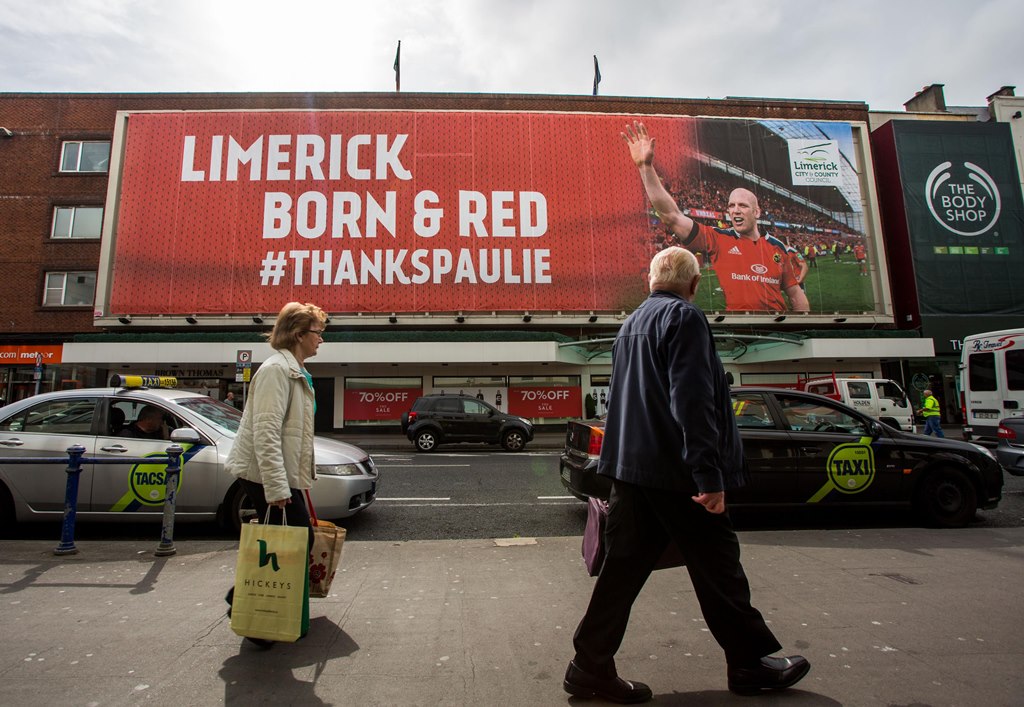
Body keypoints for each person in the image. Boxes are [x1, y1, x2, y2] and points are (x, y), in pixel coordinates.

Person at [564, 247, 809, 702]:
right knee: (719, 568)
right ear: (695, 285)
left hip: (634, 472)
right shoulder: (686, 319)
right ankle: (749, 664)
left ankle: (588, 666)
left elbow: (622, 403)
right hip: (676, 473)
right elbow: (691, 400)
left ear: (649, 281)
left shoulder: (630, 325)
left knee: (622, 573)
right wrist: (709, 475)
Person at [622, 121, 809, 313]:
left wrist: (801, 326)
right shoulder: (718, 239)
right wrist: (645, 167)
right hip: (737, 330)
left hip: (778, 329)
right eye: (731, 206)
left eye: (742, 205)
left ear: (757, 212)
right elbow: (672, 216)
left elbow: (795, 294)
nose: (735, 210)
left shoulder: (778, 248)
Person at [223, 301, 327, 647]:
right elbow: (265, 432)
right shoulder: (275, 371)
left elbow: (292, 433)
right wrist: (277, 486)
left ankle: (258, 609)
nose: (321, 340)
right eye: (317, 333)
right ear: (299, 334)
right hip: (263, 473)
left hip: (281, 473)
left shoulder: (293, 370)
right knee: (295, 541)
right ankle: (247, 608)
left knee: (288, 542)